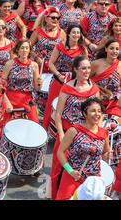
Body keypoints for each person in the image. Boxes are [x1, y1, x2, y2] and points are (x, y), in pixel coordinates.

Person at [50, 56, 100, 199]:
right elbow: (58, 114)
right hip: (67, 133)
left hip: (85, 135)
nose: (86, 71)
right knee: (59, 167)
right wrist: (60, 133)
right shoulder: (67, 87)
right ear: (75, 69)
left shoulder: (94, 89)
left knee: (81, 170)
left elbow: (98, 113)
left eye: (89, 68)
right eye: (83, 68)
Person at [56, 98, 110, 200]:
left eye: (99, 111)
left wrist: (107, 155)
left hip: (93, 181)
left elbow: (105, 152)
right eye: (93, 111)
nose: (97, 114)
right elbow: (60, 152)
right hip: (73, 177)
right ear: (85, 113)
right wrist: (70, 170)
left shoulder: (104, 133)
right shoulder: (74, 130)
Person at [42, 24, 88, 131]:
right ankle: (45, 130)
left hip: (74, 82)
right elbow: (51, 63)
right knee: (51, 105)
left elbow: (85, 66)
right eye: (74, 32)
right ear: (68, 34)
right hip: (59, 79)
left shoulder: (82, 49)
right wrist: (58, 74)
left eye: (78, 32)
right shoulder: (60, 46)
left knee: (68, 107)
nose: (76, 35)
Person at [0, 39, 42, 125]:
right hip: (11, 98)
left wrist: (40, 84)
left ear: (30, 50)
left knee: (33, 125)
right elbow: (1, 87)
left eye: (27, 48)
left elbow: (37, 88)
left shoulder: (34, 65)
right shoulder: (9, 64)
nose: (24, 50)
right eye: (22, 48)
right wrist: (7, 103)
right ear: (17, 50)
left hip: (27, 99)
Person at [91, 39, 121, 117]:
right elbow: (84, 79)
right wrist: (101, 90)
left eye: (117, 49)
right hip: (95, 99)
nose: (114, 51)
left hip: (113, 104)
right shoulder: (96, 64)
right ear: (106, 49)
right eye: (111, 48)